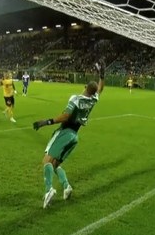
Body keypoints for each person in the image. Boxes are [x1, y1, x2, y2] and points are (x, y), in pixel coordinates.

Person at [32, 63, 105, 208]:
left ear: (85, 87)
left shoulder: (76, 99)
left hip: (65, 132)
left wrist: (46, 122)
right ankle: (66, 186)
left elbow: (65, 116)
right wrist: (102, 76)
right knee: (56, 164)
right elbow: (101, 88)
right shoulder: (93, 99)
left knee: (46, 161)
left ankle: (48, 191)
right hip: (74, 137)